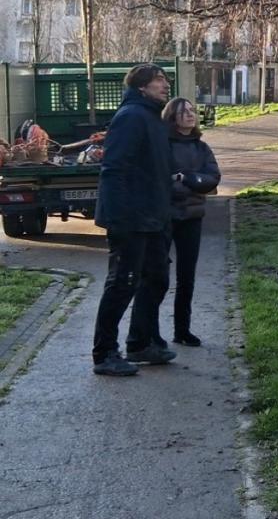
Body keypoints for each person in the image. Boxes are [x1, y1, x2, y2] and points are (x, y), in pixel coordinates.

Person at [91, 64, 176, 376]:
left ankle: (140, 343)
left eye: (165, 79)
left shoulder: (152, 117)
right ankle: (104, 353)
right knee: (122, 283)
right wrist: (122, 217)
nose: (165, 85)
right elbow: (114, 169)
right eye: (159, 80)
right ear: (142, 87)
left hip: (152, 217)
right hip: (129, 218)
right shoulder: (131, 117)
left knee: (156, 277)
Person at [160, 97, 221, 347]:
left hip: (192, 218)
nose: (189, 115)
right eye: (182, 111)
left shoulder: (201, 147)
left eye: (191, 110)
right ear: (172, 117)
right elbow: (162, 179)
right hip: (164, 218)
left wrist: (186, 178)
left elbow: (212, 178)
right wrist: (190, 183)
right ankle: (150, 333)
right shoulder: (162, 145)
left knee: (187, 277)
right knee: (157, 276)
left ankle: (182, 330)